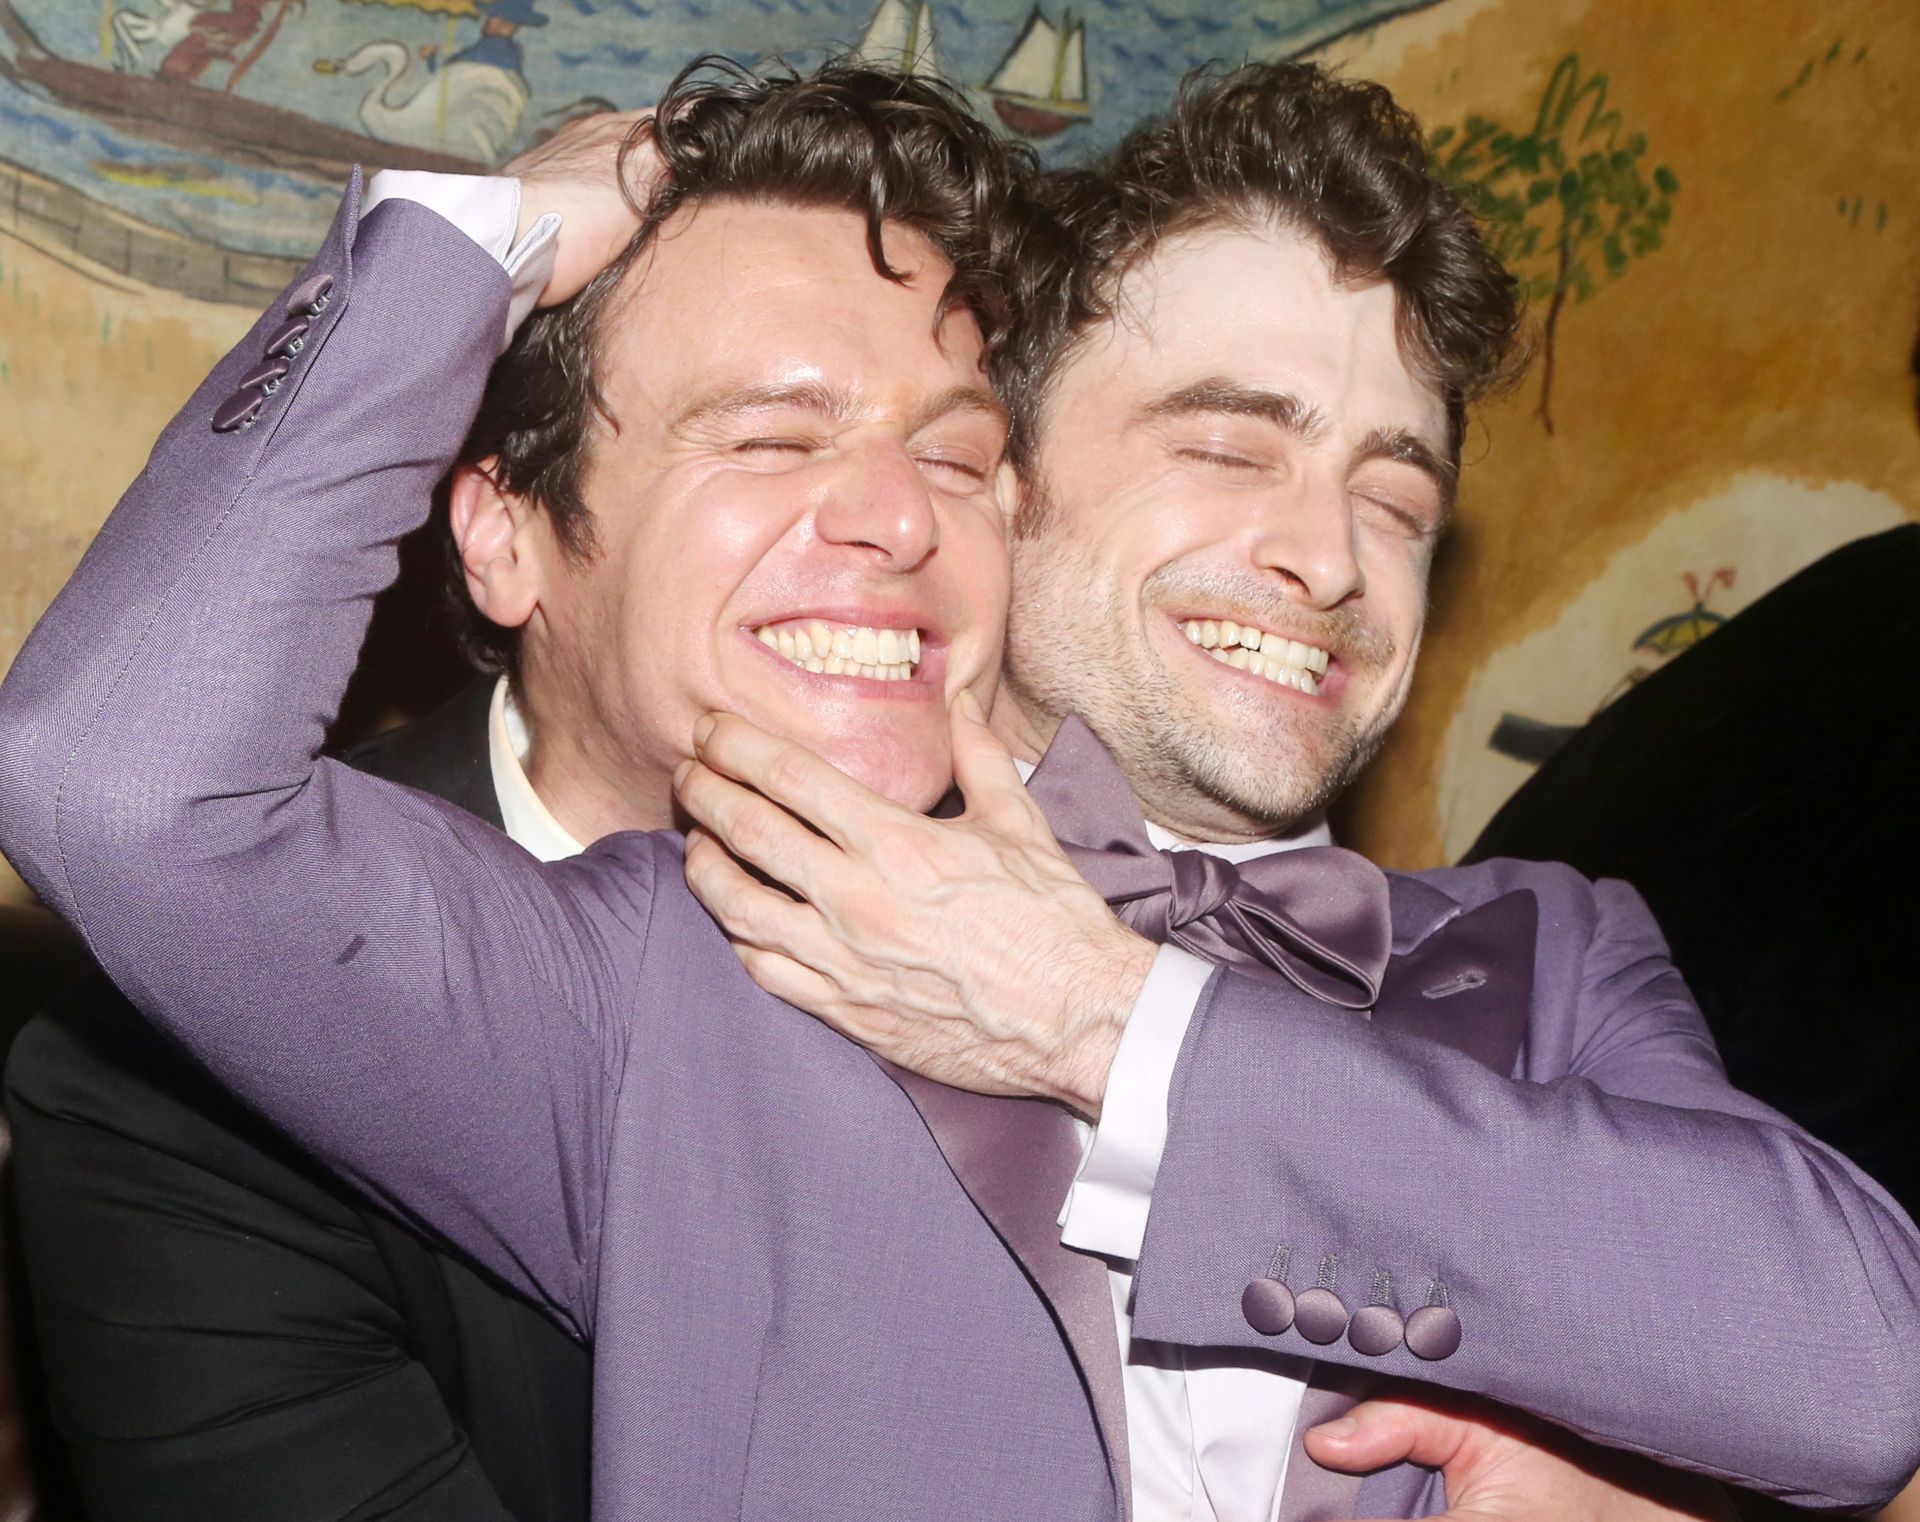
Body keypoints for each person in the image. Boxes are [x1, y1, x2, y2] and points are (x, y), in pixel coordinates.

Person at [0, 57, 1913, 1522]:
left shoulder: (1554, 944)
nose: (1327, 556)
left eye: (1396, 493)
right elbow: (120, 781)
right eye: (1225, 445)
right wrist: (474, 234)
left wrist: (1117, 1026)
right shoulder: (691, 959)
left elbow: (1863, 1362)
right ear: (1027, 494)